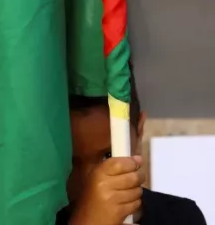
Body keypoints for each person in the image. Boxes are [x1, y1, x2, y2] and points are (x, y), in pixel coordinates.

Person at [56, 83, 206, 225]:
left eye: (108, 156)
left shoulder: (182, 216)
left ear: (139, 132)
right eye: (69, 161)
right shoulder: (40, 218)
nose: (91, 183)